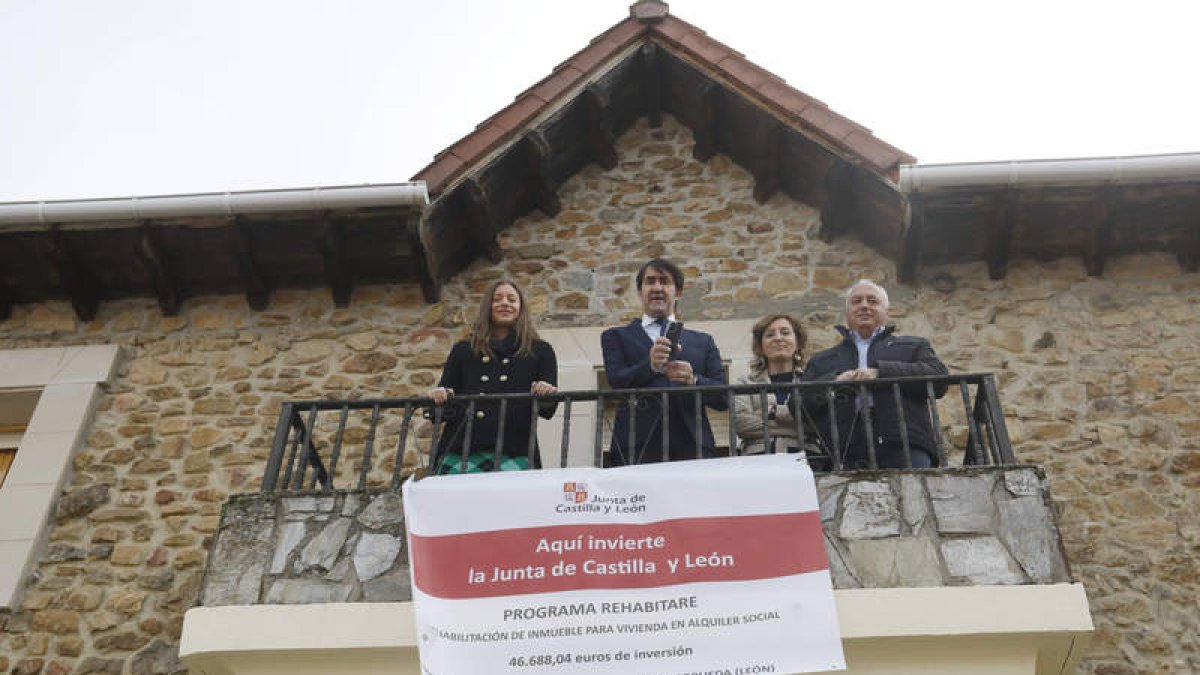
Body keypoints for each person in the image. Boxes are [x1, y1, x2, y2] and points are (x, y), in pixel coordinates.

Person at [800, 279, 948, 469]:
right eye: (857, 301)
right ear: (847, 313)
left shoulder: (913, 346)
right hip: (843, 449)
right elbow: (798, 404)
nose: (864, 306)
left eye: (872, 301)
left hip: (904, 444)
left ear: (887, 311)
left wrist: (881, 373)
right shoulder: (822, 360)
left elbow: (940, 379)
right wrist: (835, 381)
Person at [600, 258, 727, 465]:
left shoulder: (703, 341)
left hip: (692, 448)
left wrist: (693, 380)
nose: (657, 287)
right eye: (650, 281)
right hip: (635, 448)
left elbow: (723, 397)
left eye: (664, 281)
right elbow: (616, 381)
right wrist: (649, 366)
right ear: (640, 291)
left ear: (678, 292)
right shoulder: (615, 337)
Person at [427, 280, 557, 474]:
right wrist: (439, 396)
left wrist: (546, 392)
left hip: (515, 449)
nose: (505, 303)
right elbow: (444, 403)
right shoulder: (464, 349)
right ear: (488, 307)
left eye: (512, 299)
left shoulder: (540, 350)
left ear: (520, 309)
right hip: (462, 448)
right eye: (497, 299)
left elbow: (548, 409)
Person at [732, 314, 824, 462]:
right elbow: (741, 425)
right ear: (760, 346)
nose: (778, 338)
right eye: (769, 335)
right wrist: (795, 419)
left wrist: (773, 412)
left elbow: (818, 425)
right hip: (756, 461)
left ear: (798, 343)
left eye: (785, 333)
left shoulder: (810, 382)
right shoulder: (744, 383)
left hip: (808, 460)